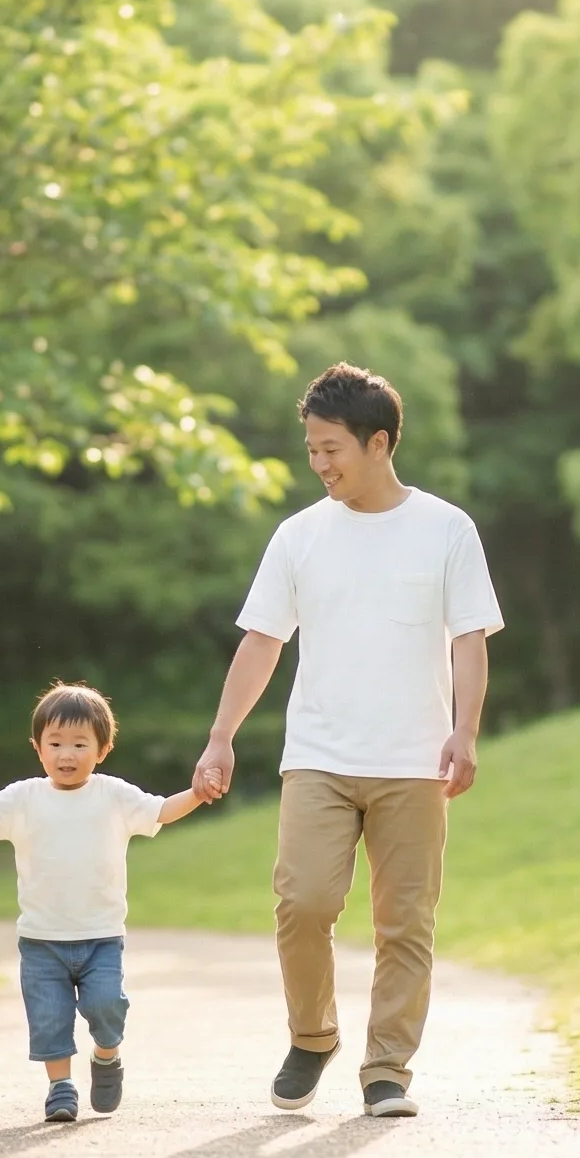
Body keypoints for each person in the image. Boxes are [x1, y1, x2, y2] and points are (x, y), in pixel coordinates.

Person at [192, 363, 502, 1119]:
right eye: (312, 450)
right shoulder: (299, 537)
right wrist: (221, 737)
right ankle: (313, 1034)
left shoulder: (446, 529)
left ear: (380, 442)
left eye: (332, 448)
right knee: (303, 902)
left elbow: (469, 638)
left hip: (413, 761)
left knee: (405, 922)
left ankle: (387, 1069)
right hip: (319, 758)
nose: (321, 463)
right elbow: (262, 641)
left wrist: (464, 730)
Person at [0, 682, 206, 1122]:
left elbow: (161, 810)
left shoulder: (114, 795)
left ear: (102, 749)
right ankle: (60, 1087)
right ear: (38, 748)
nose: (66, 754)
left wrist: (200, 793)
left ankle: (107, 1056)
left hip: (101, 936)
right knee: (49, 1019)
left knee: (107, 1007)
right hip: (41, 939)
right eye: (55, 743)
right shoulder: (23, 798)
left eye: (80, 744)